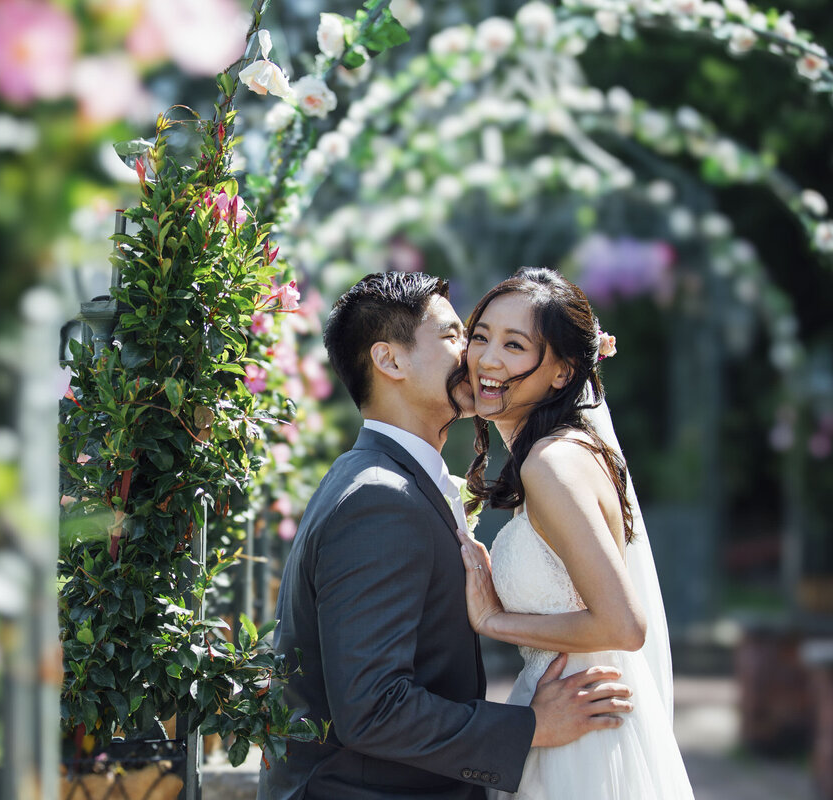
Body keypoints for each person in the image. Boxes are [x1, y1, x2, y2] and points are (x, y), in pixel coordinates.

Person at [259, 271, 634, 800]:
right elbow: (373, 708)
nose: (474, 356)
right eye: (458, 336)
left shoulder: (386, 477)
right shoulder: (380, 498)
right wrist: (531, 727)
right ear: (391, 361)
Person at [455, 267, 694, 799]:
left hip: (583, 731)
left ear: (563, 373)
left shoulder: (552, 464)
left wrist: (494, 620)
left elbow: (623, 625)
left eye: (514, 345)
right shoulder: (563, 452)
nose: (486, 359)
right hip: (567, 714)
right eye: (480, 336)